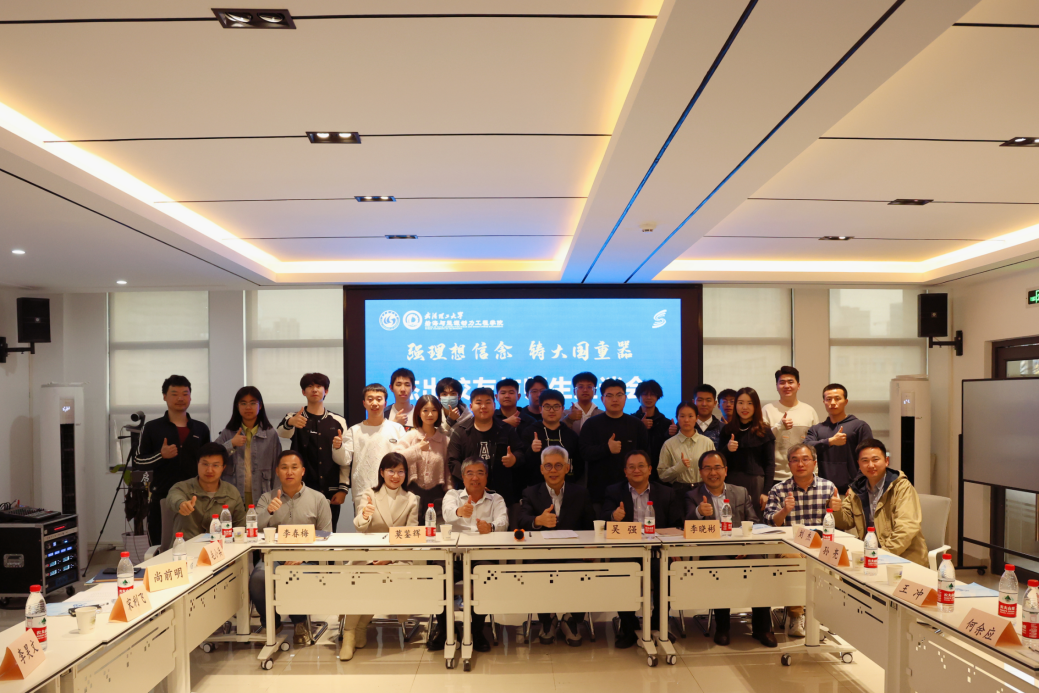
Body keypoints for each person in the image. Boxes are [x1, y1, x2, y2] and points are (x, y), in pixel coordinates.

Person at [684, 450, 775, 647]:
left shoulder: (740, 492)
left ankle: (762, 628)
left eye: (717, 467)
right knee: (720, 566)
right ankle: (722, 627)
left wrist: (746, 544)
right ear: (700, 472)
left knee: (761, 565)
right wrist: (698, 512)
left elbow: (753, 522)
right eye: (707, 468)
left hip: (742, 548)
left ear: (725, 470)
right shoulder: (692, 495)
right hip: (712, 552)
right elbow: (686, 526)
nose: (713, 472)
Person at [342, 452, 420, 660]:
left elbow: (411, 536)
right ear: (382, 472)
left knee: (375, 579)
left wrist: (390, 557)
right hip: (369, 554)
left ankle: (358, 628)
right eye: (391, 471)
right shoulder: (370, 494)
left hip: (397, 557)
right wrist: (365, 515)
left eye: (401, 471)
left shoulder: (411, 499)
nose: (396, 476)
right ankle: (350, 633)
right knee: (362, 577)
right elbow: (360, 526)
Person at [250, 450, 333, 644]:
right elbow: (253, 530)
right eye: (284, 467)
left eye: (294, 467)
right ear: (277, 471)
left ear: (302, 471)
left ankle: (300, 622)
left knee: (294, 576)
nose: (289, 472)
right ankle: (271, 622)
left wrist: (303, 557)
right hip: (274, 558)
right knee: (258, 578)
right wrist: (269, 511)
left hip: (308, 560)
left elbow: (326, 537)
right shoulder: (267, 498)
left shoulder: (318, 499)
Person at [601, 451, 682, 648]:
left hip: (657, 551)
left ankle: (658, 625)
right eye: (631, 467)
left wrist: (675, 549)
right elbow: (602, 518)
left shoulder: (666, 492)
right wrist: (613, 516)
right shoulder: (614, 491)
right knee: (621, 573)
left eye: (641, 466)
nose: (636, 470)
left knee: (665, 573)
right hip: (625, 551)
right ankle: (628, 628)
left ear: (649, 469)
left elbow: (677, 524)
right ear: (625, 471)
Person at [515, 446, 595, 646]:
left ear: (567, 468)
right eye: (548, 466)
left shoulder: (581, 492)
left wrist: (589, 548)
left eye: (558, 465)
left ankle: (571, 619)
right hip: (541, 554)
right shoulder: (530, 492)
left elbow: (590, 526)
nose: (553, 470)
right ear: (541, 469)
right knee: (537, 570)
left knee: (581, 571)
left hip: (573, 554)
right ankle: (547, 619)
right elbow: (521, 521)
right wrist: (538, 520)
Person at [763, 443, 841, 638]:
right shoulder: (779, 489)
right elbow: (769, 522)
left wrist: (838, 510)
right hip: (790, 545)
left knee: (835, 560)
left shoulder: (828, 487)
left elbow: (839, 522)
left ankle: (825, 614)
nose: (800, 464)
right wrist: (784, 511)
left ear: (814, 463)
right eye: (795, 460)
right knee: (793, 559)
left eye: (805, 459)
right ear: (789, 464)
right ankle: (797, 616)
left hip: (821, 544)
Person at [435, 458, 509, 653]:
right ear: (463, 477)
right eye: (470, 473)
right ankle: (446, 630)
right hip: (453, 556)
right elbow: (448, 513)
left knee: (484, 578)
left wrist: (491, 527)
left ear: (486, 477)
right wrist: (460, 511)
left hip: (481, 556)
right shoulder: (452, 495)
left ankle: (476, 631)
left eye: (480, 473)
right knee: (437, 578)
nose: (475, 478)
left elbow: (504, 521)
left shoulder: (496, 499)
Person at [135, 375, 211, 545]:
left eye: (185, 393)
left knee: (198, 547)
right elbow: (139, 462)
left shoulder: (201, 428)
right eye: (174, 393)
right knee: (161, 546)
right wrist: (160, 455)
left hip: (196, 498)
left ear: (190, 397)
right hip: (162, 497)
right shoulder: (152, 427)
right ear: (164, 396)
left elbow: (208, 462)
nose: (180, 398)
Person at [833, 439, 928, 566]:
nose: (870, 465)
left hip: (904, 558)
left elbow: (907, 527)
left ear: (886, 461)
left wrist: (882, 555)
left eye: (875, 459)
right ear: (859, 464)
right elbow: (846, 522)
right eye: (865, 461)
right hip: (871, 555)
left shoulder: (901, 487)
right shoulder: (856, 490)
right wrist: (836, 509)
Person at [277, 373, 348, 528]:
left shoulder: (338, 421)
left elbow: (346, 459)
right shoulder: (294, 417)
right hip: (301, 490)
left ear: (326, 391)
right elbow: (281, 432)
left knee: (328, 534)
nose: (314, 390)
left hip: (331, 490)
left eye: (319, 386)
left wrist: (343, 489)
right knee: (301, 532)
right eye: (310, 386)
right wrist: (291, 422)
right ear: (303, 392)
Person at [447, 387, 526, 504]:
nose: (483, 406)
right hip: (469, 495)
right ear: (471, 406)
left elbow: (520, 452)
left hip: (502, 495)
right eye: (479, 403)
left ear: (494, 405)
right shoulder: (460, 432)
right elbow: (453, 462)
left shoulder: (506, 430)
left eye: (488, 402)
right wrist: (471, 480)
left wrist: (514, 459)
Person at [579, 378, 650, 504]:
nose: (615, 399)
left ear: (625, 398)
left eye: (619, 395)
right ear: (602, 399)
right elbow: (584, 453)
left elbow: (645, 454)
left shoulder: (636, 425)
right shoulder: (591, 424)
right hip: (599, 491)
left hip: (631, 490)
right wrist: (607, 448)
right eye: (609, 396)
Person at [340, 383, 407, 514]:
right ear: (364, 403)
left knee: (392, 526)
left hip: (393, 489)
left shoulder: (397, 429)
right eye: (370, 399)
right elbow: (344, 460)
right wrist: (338, 447)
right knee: (364, 525)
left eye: (379, 399)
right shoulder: (354, 430)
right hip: (363, 491)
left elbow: (404, 459)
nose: (374, 403)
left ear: (385, 403)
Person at [215, 386, 280, 508]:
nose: (248, 407)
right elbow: (213, 457)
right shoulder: (228, 432)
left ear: (260, 406)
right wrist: (231, 444)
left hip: (263, 493)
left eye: (253, 403)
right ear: (237, 406)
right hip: (232, 492)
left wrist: (276, 495)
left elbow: (277, 468)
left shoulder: (270, 434)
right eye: (243, 403)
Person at [166, 442, 246, 540]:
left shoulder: (232, 492)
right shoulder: (182, 487)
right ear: (197, 464)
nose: (209, 470)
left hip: (221, 547)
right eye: (205, 464)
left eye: (215, 465)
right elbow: (173, 497)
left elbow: (240, 527)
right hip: (186, 547)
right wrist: (181, 504)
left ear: (223, 467)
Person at [804, 383, 874, 495]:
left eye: (837, 399)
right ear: (824, 402)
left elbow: (868, 458)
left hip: (853, 490)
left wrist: (856, 485)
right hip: (824, 490)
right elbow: (806, 448)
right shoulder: (816, 429)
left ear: (846, 401)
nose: (833, 403)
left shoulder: (859, 426)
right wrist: (830, 442)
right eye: (828, 399)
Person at [398, 394, 452, 521]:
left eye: (434, 410)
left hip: (438, 496)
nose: (430, 414)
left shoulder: (444, 440)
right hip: (411, 493)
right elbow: (395, 460)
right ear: (418, 412)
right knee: (413, 530)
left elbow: (448, 472)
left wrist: (450, 493)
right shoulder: (410, 436)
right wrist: (417, 449)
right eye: (425, 410)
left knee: (435, 530)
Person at [721, 387, 776, 512]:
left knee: (754, 518)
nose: (744, 407)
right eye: (740, 403)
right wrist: (727, 449)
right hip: (731, 481)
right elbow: (719, 460)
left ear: (756, 406)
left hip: (755, 482)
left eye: (749, 403)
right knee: (731, 516)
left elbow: (770, 464)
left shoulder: (764, 430)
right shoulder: (727, 430)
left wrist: (766, 492)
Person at [762, 367, 820, 483]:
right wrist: (779, 427)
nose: (786, 386)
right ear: (776, 386)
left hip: (805, 474)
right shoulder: (767, 410)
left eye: (790, 382)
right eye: (782, 382)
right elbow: (761, 441)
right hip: (775, 475)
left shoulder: (809, 411)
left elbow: (814, 446)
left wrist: (815, 472)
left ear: (798, 386)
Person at [521, 389, 583, 488]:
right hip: (536, 489)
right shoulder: (529, 432)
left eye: (556, 406)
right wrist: (531, 451)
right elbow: (522, 464)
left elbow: (579, 466)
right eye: (547, 406)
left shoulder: (571, 435)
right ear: (540, 409)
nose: (551, 410)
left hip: (566, 489)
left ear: (562, 409)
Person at [657, 401, 715, 488]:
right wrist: (679, 467)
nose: (686, 420)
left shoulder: (707, 442)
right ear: (677, 418)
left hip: (702, 489)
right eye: (682, 416)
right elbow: (662, 476)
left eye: (690, 416)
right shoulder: (668, 444)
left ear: (697, 418)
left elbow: (714, 469)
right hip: (678, 490)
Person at [632, 380, 678, 468]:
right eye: (645, 394)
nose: (649, 397)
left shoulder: (666, 423)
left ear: (657, 397)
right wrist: (640, 427)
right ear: (638, 397)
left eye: (652, 394)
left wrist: (671, 434)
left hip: (660, 469)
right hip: (637, 468)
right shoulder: (632, 421)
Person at [564, 371, 602, 436]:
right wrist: (569, 419)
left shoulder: (602, 414)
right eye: (581, 387)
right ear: (574, 391)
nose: (585, 390)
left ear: (595, 391)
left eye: (589, 387)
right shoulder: (565, 414)